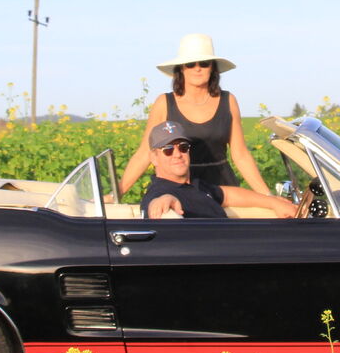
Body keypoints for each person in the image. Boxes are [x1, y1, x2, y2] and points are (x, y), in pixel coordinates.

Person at [116, 32, 273, 200]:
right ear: (181, 69)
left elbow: (240, 154)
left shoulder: (228, 100)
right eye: (191, 64)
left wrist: (268, 196)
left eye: (204, 64)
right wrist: (117, 193)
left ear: (212, 68)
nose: (197, 68)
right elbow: (145, 153)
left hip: (222, 189)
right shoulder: (164, 103)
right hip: (177, 190)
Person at [140, 121, 297, 219]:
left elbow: (227, 195)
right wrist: (165, 200)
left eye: (183, 147)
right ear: (154, 158)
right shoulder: (159, 191)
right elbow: (153, 205)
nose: (177, 154)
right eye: (168, 150)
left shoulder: (196, 186)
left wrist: (272, 202)